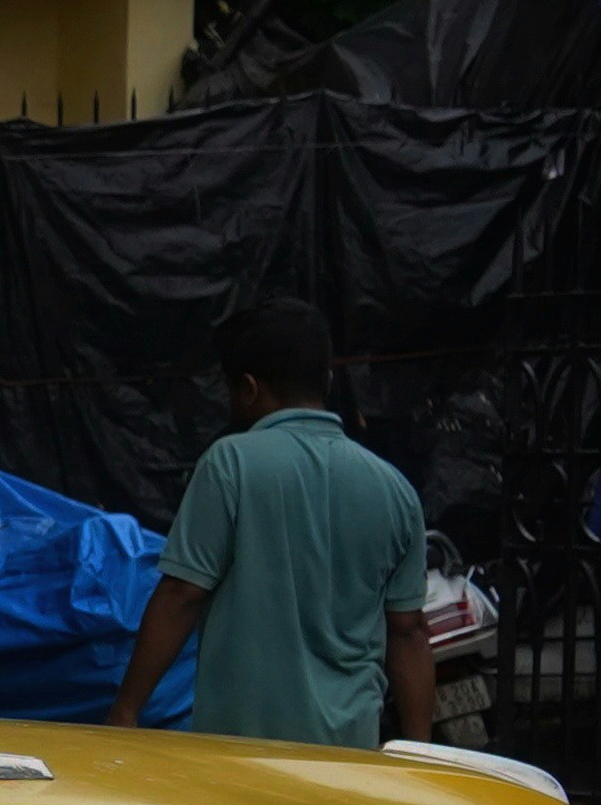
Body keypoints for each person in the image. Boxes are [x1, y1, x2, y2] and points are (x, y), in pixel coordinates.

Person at [108, 300, 429, 749]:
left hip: (242, 756)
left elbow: (182, 594)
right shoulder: (394, 489)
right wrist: (422, 754)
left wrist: (127, 709)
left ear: (248, 389)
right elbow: (408, 631)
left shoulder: (229, 465)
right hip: (351, 757)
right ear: (328, 380)